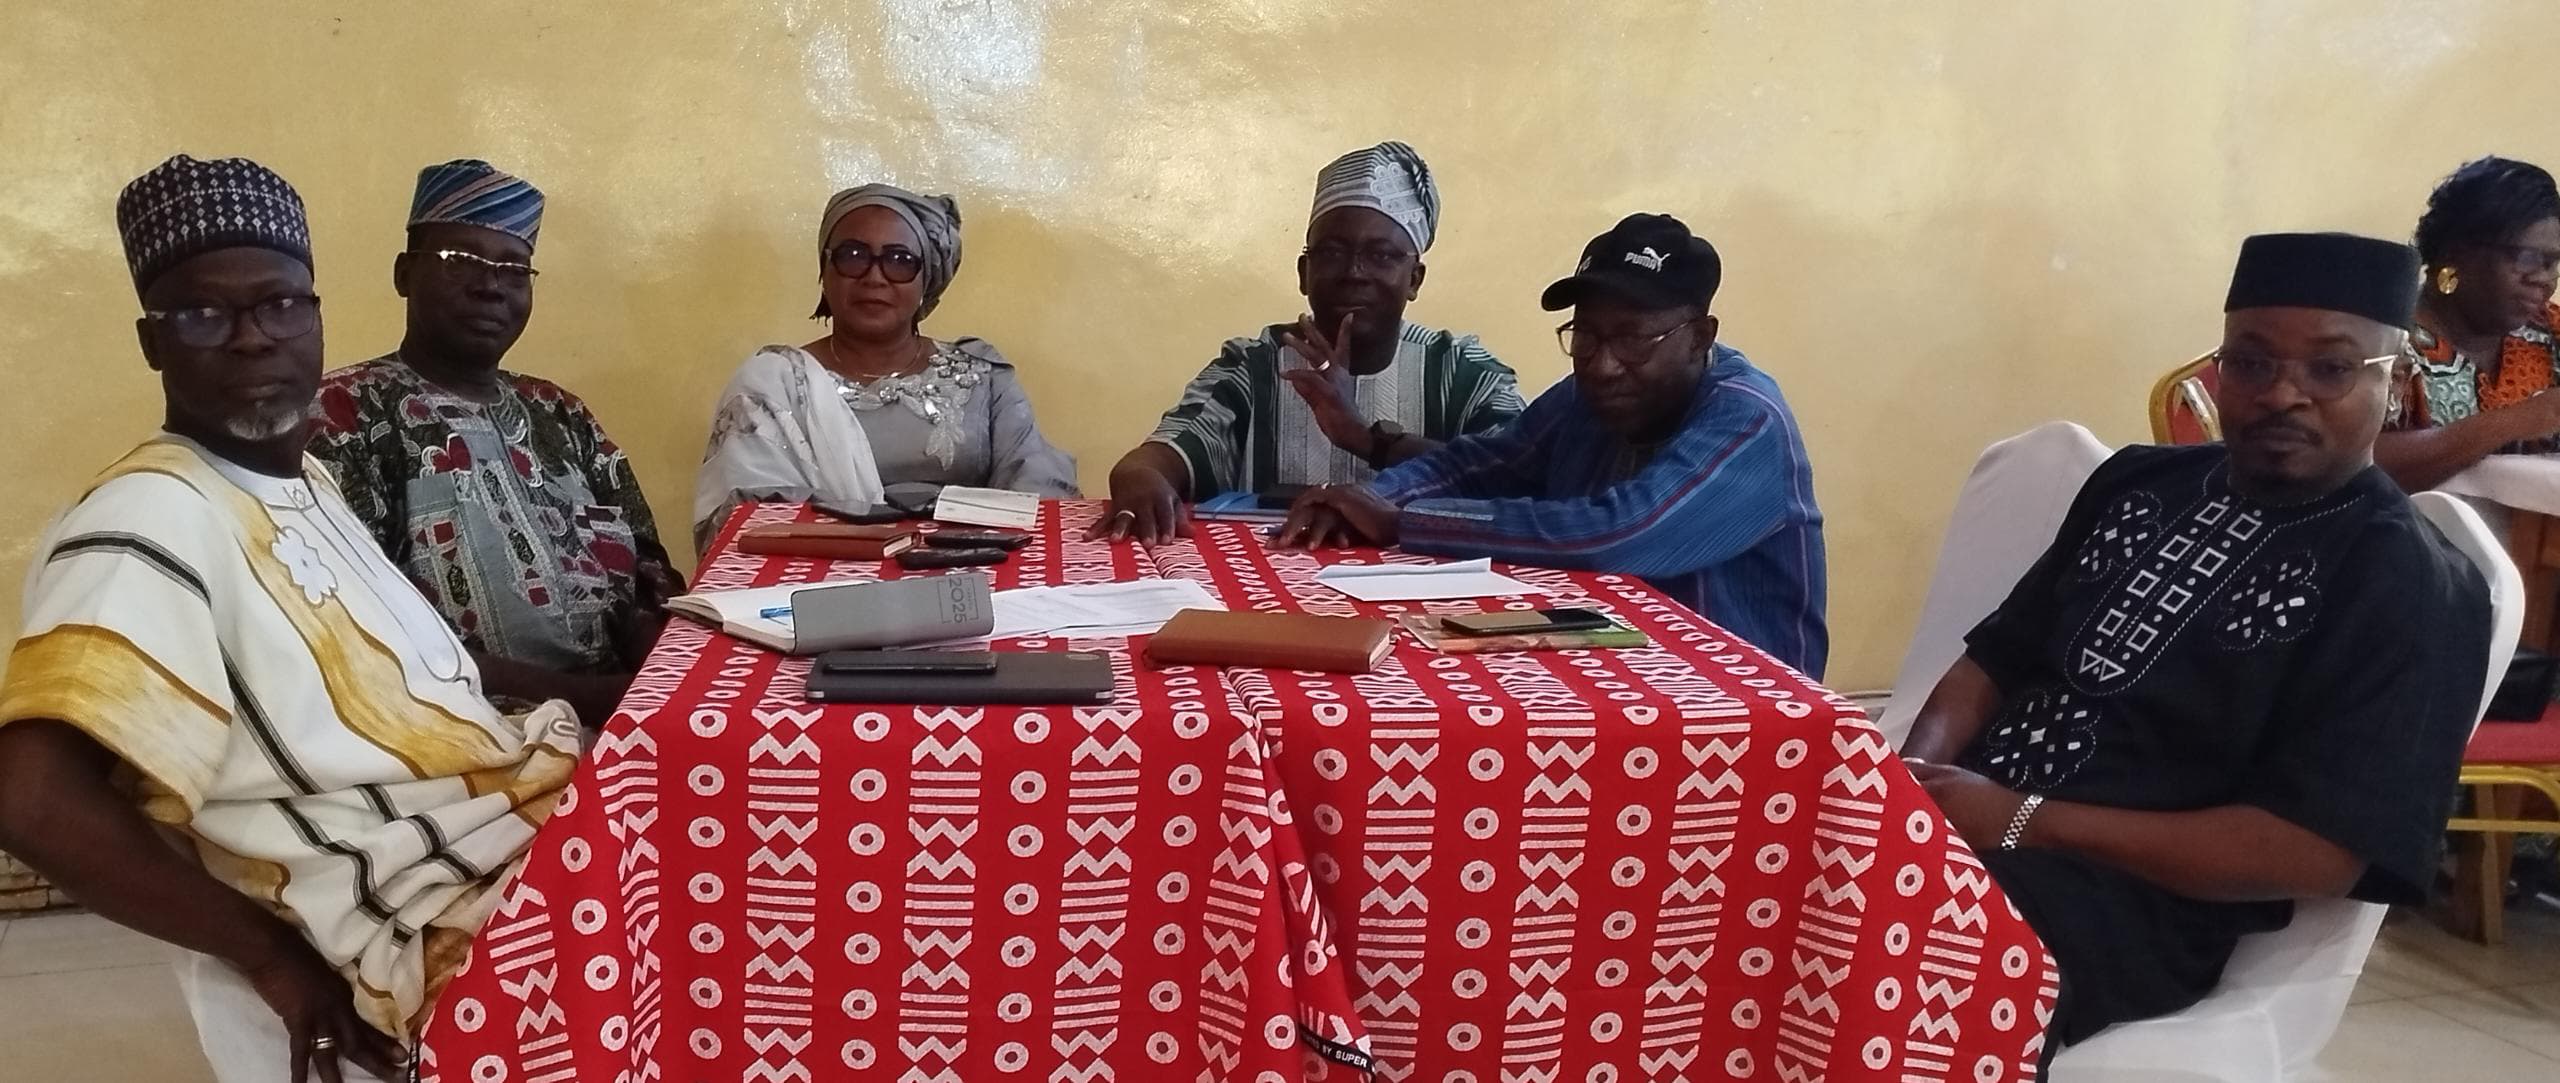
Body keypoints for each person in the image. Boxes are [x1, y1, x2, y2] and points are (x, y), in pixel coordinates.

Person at [0, 155, 583, 1083]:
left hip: (497, 821)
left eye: (279, 305)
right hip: (418, 912)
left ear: (315, 316)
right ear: (152, 342)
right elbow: (30, 799)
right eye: (203, 314)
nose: (251, 339)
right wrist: (271, 957)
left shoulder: (296, 477)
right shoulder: (150, 513)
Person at [1900, 233, 2491, 1056]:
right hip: (1960, 823)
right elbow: (1995, 655)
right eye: (2250, 362)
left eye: (2330, 368)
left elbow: (2317, 850)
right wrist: (1911, 779)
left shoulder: (2408, 579)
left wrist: (2025, 820)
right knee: (1748, 864)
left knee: (1874, 951)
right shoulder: (2139, 480)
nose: (2282, 393)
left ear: (2393, 384)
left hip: (2122, 905)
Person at [1276, 213, 1829, 677]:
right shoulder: (1584, 395)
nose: (1604, 365)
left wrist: (1404, 521)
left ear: (1700, 337)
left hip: (1737, 702)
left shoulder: (1747, 419)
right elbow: (1483, 464)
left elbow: (1617, 533)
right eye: (1586, 336)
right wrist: (1369, 500)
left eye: (1633, 339)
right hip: (1605, 668)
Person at [310, 159, 681, 725]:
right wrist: (595, 700)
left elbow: (650, 569)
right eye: (459, 261)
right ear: (404, 274)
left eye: (514, 269)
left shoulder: (561, 413)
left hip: (625, 713)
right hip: (461, 734)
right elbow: (360, 635)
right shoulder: (344, 416)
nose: (489, 286)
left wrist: (657, 665)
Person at [1089, 141, 1524, 543]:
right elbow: (1167, 452)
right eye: (1332, 252)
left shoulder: (1466, 375)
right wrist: (1139, 474)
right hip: (1264, 583)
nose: (1354, 273)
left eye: (1381, 255)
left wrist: (1368, 440)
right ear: (1304, 273)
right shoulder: (1253, 367)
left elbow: (1522, 481)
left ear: (1414, 279)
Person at [695, 183, 1077, 546]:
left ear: (926, 280)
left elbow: (1037, 485)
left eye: (900, 261)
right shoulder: (771, 387)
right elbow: (750, 519)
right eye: (853, 256)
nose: (874, 277)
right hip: (824, 576)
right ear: (824, 272)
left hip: (974, 566)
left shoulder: (981, 377)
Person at [2377, 156, 2560, 489]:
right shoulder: (2384, 343)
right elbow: (2355, 464)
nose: (2544, 279)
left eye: (2553, 263)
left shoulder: (2548, 331)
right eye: (2527, 258)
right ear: (2455, 252)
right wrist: (2515, 421)